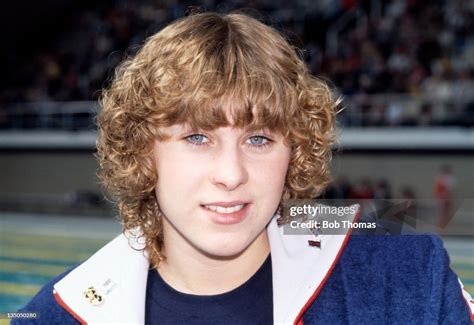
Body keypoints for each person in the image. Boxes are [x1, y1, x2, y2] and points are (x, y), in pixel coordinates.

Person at [14, 11, 473, 324]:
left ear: (294, 150)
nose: (231, 174)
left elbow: (383, 224)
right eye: (197, 137)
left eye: (259, 139)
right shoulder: (61, 310)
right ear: (141, 150)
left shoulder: (408, 279)